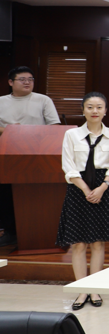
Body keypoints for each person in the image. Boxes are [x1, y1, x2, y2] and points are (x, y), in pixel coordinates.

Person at [56, 92, 109, 310]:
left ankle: (94, 288)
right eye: (90, 107)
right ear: (83, 110)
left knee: (98, 242)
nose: (94, 111)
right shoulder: (71, 134)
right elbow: (68, 165)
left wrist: (102, 187)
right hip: (78, 188)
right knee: (78, 243)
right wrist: (85, 189)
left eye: (99, 107)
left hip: (104, 187)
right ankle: (82, 290)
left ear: (105, 111)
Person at [0, 66, 61, 247]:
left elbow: (54, 126)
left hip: (37, 155)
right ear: (10, 82)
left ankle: (41, 232)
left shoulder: (43, 100)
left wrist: (29, 132)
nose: (27, 82)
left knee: (36, 194)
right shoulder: (1, 101)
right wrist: (10, 130)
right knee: (6, 194)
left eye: (30, 79)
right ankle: (10, 232)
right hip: (7, 154)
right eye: (22, 79)